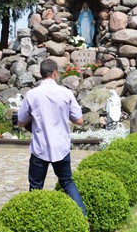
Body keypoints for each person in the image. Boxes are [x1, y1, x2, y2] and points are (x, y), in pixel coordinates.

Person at [17, 58, 86, 215]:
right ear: (55, 73)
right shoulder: (66, 93)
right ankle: (83, 216)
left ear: (41, 74)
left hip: (40, 146)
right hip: (61, 146)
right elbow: (79, 120)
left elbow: (20, 121)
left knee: (36, 187)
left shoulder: (32, 94)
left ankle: (34, 219)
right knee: (67, 182)